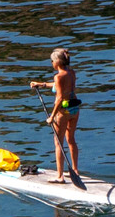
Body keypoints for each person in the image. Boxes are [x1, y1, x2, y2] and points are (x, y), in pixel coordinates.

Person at [29, 48, 81, 183]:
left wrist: (52, 116)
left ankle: (60, 177)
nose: (51, 63)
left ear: (57, 62)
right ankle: (75, 170)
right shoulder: (71, 72)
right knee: (71, 140)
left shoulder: (58, 76)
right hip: (74, 108)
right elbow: (60, 86)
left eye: (52, 61)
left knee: (58, 143)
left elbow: (59, 98)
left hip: (63, 112)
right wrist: (42, 84)